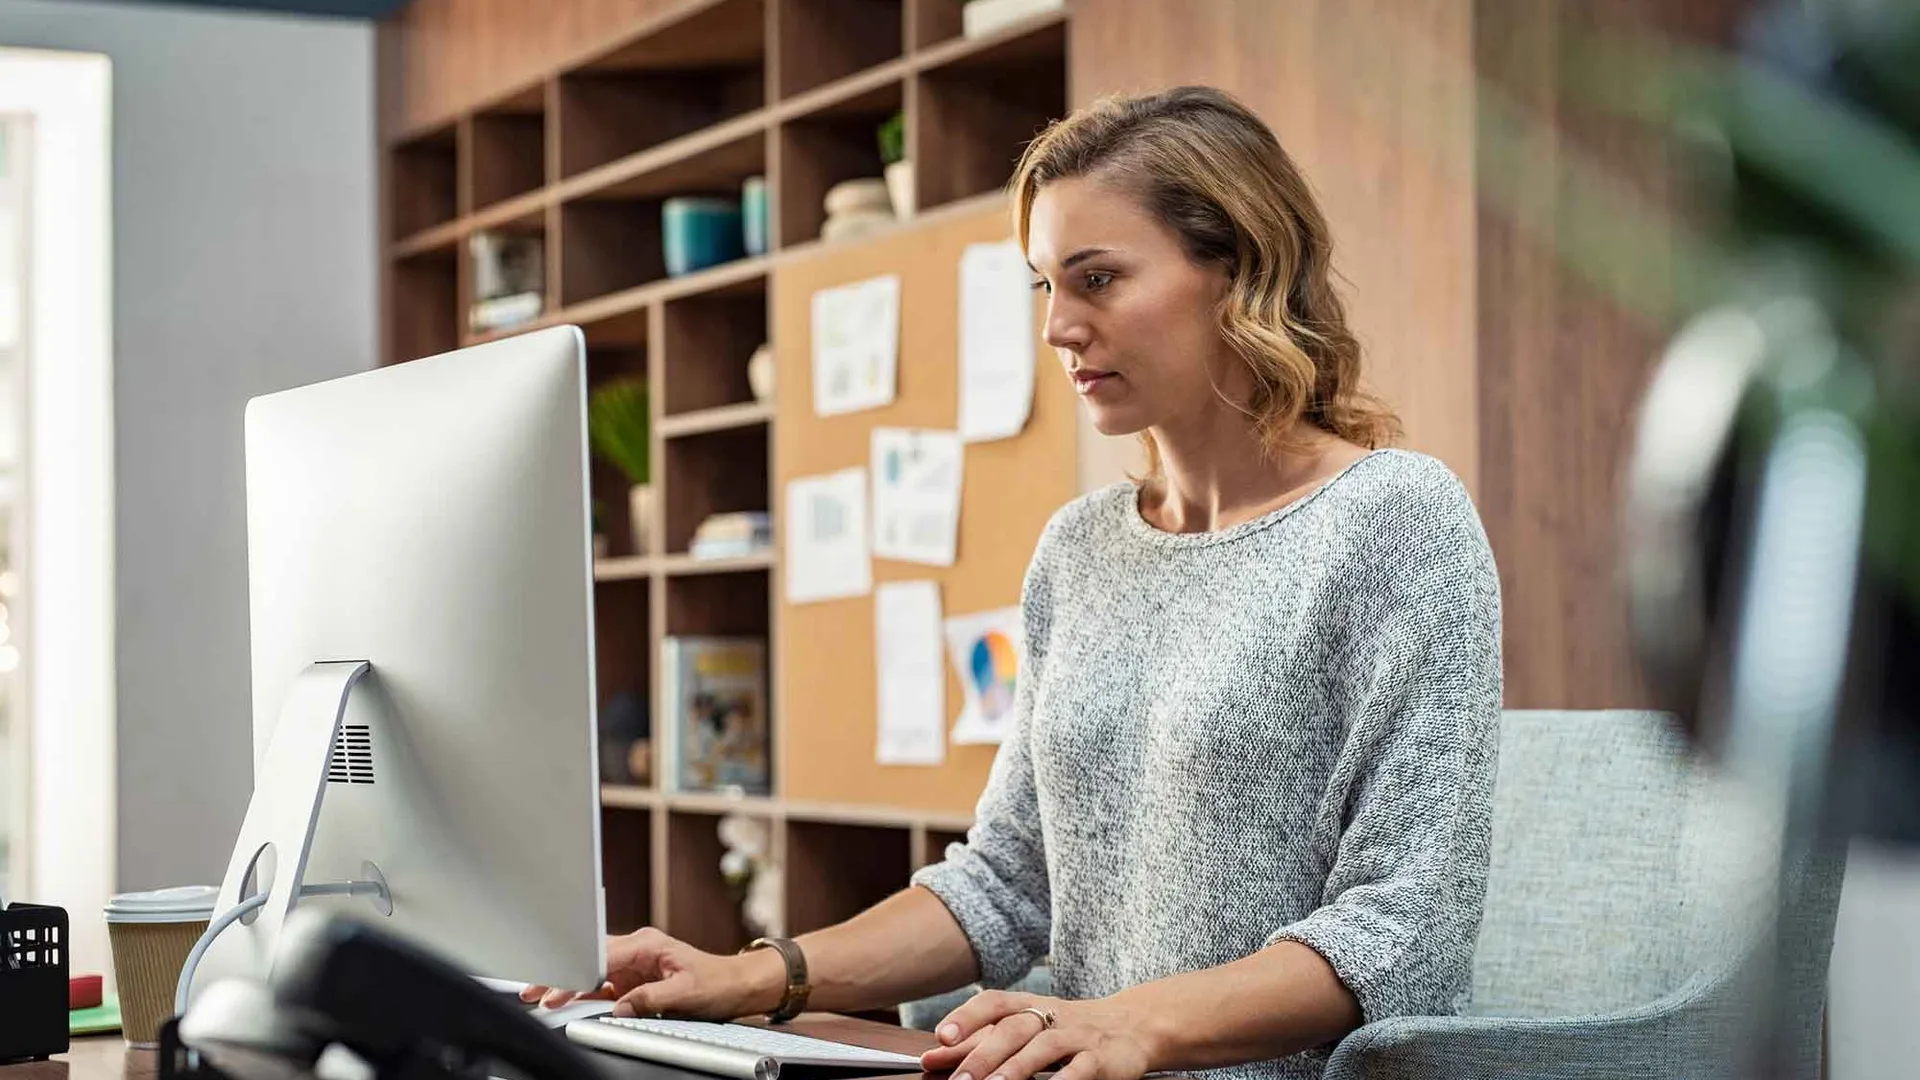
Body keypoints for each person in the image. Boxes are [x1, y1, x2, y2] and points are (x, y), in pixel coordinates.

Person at [525, 85, 1503, 1080]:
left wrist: (1130, 1023)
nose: (1058, 328)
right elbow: (1004, 884)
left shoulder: (1396, 520)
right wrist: (755, 976)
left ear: (1238, 270)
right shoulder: (1078, 551)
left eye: (1099, 279)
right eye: (1046, 286)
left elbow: (1405, 932)